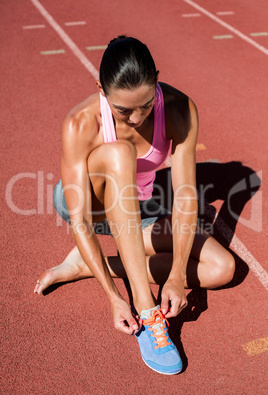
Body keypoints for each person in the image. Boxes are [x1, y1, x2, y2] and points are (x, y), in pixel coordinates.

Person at [34, 36, 235, 375]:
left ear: (156, 78)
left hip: (138, 203)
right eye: (123, 110)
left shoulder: (178, 108)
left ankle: (86, 264)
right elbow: (79, 221)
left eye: (145, 106)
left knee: (222, 268)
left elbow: (186, 194)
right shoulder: (81, 123)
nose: (137, 118)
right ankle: (146, 308)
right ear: (101, 89)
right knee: (119, 152)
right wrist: (115, 298)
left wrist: (175, 276)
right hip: (90, 205)